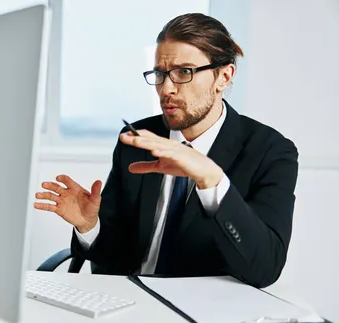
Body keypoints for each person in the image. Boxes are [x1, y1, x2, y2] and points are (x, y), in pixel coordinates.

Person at [33, 13, 299, 289]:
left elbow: (265, 268)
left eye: (184, 72)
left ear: (224, 76)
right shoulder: (137, 139)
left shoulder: (271, 151)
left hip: (201, 313)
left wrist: (213, 182)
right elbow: (112, 256)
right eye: (160, 74)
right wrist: (90, 226)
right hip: (129, 302)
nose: (166, 88)